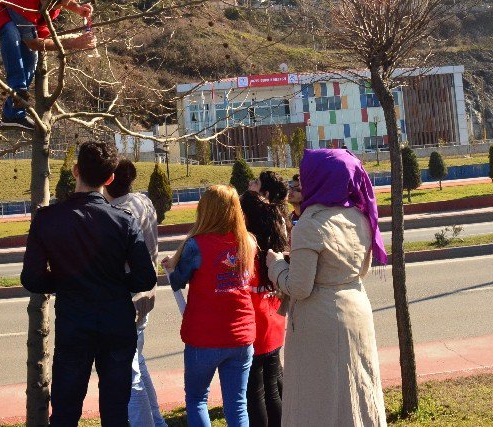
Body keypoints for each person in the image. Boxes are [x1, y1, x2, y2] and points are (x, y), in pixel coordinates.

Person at [20, 141, 157, 427]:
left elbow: (32, 278)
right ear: (109, 179)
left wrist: (66, 280)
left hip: (74, 325)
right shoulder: (123, 221)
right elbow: (145, 277)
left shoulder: (47, 219)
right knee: (116, 413)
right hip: (116, 323)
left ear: (75, 170)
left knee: (66, 413)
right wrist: (117, 282)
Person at [266, 149, 388, 427]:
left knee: (319, 399)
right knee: (356, 390)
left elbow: (299, 287)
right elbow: (363, 270)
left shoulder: (311, 223)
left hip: (320, 320)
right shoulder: (359, 216)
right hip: (356, 309)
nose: (301, 182)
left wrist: (275, 266)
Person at [162, 185, 258, 427]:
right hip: (241, 335)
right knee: (237, 404)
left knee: (196, 399)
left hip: (203, 337)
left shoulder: (196, 244)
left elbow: (177, 281)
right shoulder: (247, 241)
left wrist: (171, 267)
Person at [0, 0, 96, 129]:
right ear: (45, 2)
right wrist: (73, 43)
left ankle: (12, 114)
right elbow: (34, 43)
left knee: (31, 57)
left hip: (9, 1)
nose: (62, 8)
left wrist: (77, 8)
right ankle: (18, 91)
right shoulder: (24, 2)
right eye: (60, 6)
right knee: (11, 32)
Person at [104, 159, 168, 427]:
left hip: (127, 300)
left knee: (130, 376)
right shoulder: (143, 201)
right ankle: (156, 420)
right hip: (145, 295)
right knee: (137, 362)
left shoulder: (118, 213)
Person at [240, 172, 288, 427]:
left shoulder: (247, 239)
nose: (251, 184)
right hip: (274, 309)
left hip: (254, 315)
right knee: (272, 381)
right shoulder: (277, 224)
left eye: (256, 184)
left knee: (256, 390)